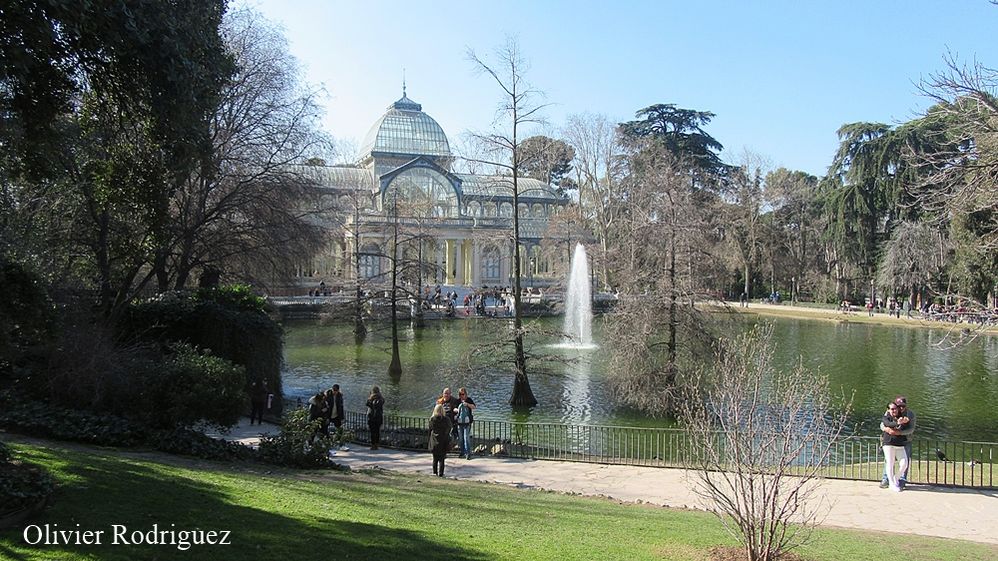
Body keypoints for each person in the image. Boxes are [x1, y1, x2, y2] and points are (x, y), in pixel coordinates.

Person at [880, 395, 916, 489]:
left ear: (906, 406)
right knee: (889, 461)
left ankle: (901, 479)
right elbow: (883, 423)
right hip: (890, 441)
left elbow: (911, 429)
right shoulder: (892, 410)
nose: (900, 408)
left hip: (905, 440)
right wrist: (887, 429)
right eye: (898, 406)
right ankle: (886, 479)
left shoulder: (910, 414)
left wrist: (900, 432)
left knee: (904, 462)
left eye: (902, 406)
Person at [428, 404, 452, 477]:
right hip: (443, 440)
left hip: (434, 440)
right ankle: (441, 474)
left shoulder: (432, 419)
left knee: (435, 459)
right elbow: (449, 428)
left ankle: (434, 473)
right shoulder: (446, 419)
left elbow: (430, 429)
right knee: (442, 459)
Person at [455, 387, 477, 460]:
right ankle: (462, 452)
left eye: (463, 394)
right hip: (460, 422)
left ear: (466, 394)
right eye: (460, 394)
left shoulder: (469, 400)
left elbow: (474, 407)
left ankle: (468, 453)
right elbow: (454, 408)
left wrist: (467, 404)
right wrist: (458, 409)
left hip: (467, 423)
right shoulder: (458, 401)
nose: (461, 395)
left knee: (466, 437)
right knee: (460, 438)